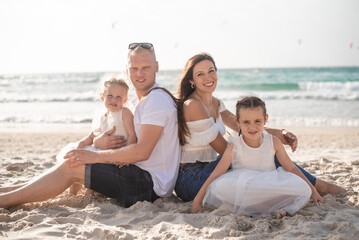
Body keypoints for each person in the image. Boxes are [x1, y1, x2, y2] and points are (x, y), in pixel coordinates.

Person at [0, 42, 180, 208]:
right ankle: (7, 192)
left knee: (73, 166)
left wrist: (94, 157)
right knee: (72, 161)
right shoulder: (134, 103)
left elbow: (142, 151)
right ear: (127, 70)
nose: (140, 74)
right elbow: (121, 139)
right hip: (132, 171)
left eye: (145, 68)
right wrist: (98, 143)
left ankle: (5, 200)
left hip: (150, 185)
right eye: (134, 68)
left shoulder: (157, 100)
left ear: (156, 67)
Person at [174, 53, 344, 203]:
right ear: (191, 80)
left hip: (209, 169)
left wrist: (280, 133)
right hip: (191, 179)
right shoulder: (193, 105)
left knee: (266, 152)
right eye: (200, 74)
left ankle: (311, 186)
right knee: (265, 152)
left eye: (211, 71)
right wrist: (265, 147)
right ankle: (320, 186)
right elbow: (227, 151)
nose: (208, 77)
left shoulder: (215, 102)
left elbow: (244, 126)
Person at [192, 96, 323, 218]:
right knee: (219, 187)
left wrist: (313, 190)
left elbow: (291, 168)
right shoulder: (235, 145)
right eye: (246, 122)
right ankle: (271, 209)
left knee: (302, 188)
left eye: (257, 121)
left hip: (269, 182)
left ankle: (266, 209)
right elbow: (216, 173)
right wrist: (197, 201)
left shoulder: (273, 141)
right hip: (245, 186)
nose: (252, 127)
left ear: (265, 119)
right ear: (237, 122)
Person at [56, 77, 136, 195]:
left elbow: (132, 134)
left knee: (92, 166)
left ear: (125, 100)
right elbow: (92, 137)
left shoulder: (124, 113)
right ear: (102, 96)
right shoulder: (102, 116)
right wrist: (82, 144)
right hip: (100, 152)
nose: (114, 100)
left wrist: (127, 155)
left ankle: (91, 191)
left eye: (119, 97)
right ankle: (73, 192)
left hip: (116, 155)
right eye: (110, 96)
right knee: (78, 158)